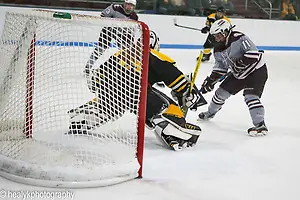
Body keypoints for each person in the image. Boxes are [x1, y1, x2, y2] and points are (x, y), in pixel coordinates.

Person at [68, 30, 206, 151]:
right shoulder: (154, 55)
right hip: (134, 90)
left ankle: (82, 117)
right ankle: (175, 133)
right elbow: (174, 78)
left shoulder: (122, 53)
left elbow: (97, 77)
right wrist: (189, 93)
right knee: (167, 106)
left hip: (110, 90)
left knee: (109, 106)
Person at [197, 19, 268, 137]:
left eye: (219, 35)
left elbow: (254, 54)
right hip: (238, 74)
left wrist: (240, 63)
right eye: (215, 36)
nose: (217, 39)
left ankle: (260, 124)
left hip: (256, 71)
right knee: (220, 93)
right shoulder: (218, 49)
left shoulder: (239, 38)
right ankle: (210, 113)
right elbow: (220, 67)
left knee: (250, 97)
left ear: (226, 32)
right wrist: (211, 80)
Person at [85, 0, 138, 75]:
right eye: (128, 4)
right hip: (109, 30)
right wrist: (110, 24)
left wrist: (130, 42)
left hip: (122, 34)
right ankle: (88, 67)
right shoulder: (115, 8)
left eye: (131, 5)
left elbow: (132, 31)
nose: (129, 7)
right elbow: (103, 16)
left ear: (134, 7)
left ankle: (122, 70)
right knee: (100, 50)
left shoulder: (134, 16)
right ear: (125, 4)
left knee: (125, 53)